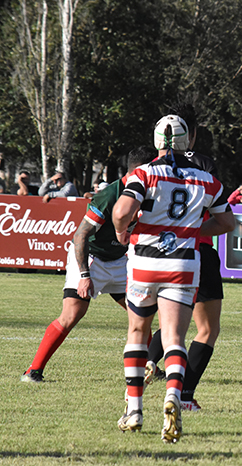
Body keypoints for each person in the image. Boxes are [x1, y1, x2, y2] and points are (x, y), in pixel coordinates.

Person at [112, 114, 234, 443]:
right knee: (174, 338)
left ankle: (134, 409)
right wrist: (193, 231)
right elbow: (226, 223)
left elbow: (122, 212)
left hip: (145, 261)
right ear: (186, 142)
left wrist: (123, 231)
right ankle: (173, 397)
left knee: (137, 332)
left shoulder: (144, 173)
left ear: (156, 141)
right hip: (183, 264)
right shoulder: (206, 179)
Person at [19, 147, 156, 384]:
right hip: (91, 258)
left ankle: (152, 366)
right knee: (73, 313)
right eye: (154, 168)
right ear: (143, 170)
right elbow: (80, 236)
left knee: (141, 315)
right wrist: (85, 275)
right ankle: (33, 371)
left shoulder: (148, 193)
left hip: (120, 261)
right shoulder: (111, 195)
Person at [144, 103, 236, 412]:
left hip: (156, 254)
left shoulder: (151, 167)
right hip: (197, 253)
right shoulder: (204, 165)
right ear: (192, 135)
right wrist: (194, 232)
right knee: (206, 329)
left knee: (172, 321)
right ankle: (184, 395)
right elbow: (223, 217)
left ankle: (143, 362)